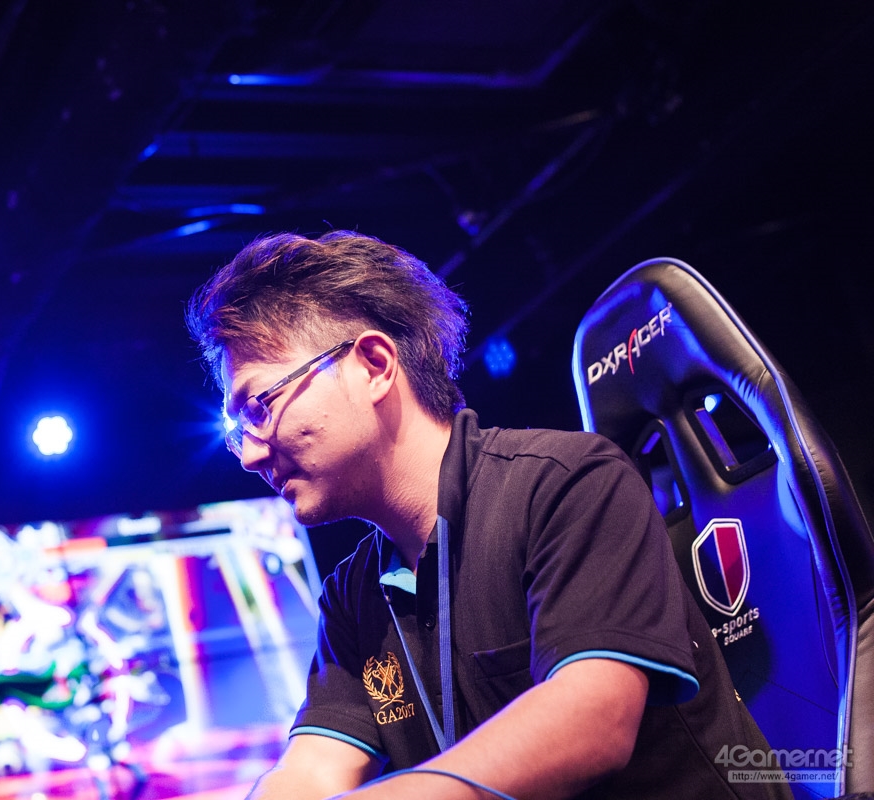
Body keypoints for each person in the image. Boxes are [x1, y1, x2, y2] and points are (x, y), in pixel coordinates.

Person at [185, 230, 791, 800]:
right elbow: (314, 769)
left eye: (258, 407)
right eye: (239, 432)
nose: (250, 455)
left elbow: (593, 718)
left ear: (373, 365)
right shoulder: (353, 595)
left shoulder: (567, 483)